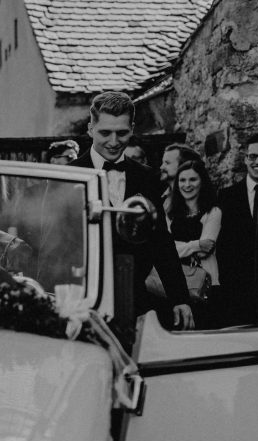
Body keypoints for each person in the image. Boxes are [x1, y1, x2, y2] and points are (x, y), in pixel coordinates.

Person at [70, 92, 194, 330]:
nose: (114, 141)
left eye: (122, 133)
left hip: (135, 300)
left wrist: (180, 298)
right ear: (90, 129)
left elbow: (161, 242)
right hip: (82, 302)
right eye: (105, 132)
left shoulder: (146, 177)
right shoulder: (70, 176)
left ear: (132, 129)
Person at [217, 131, 258, 326]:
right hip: (239, 299)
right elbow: (223, 249)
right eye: (252, 156)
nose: (257, 161)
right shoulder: (227, 197)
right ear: (245, 159)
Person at [168, 159, 222, 328]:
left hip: (206, 286)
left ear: (202, 182)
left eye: (193, 179)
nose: (187, 185)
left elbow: (205, 251)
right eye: (182, 180)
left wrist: (179, 247)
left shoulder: (213, 212)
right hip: (176, 285)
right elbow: (164, 250)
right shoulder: (170, 213)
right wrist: (197, 244)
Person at [158, 143, 202, 217]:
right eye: (163, 162)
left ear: (183, 165)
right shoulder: (163, 197)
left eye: (167, 163)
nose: (161, 167)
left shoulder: (193, 199)